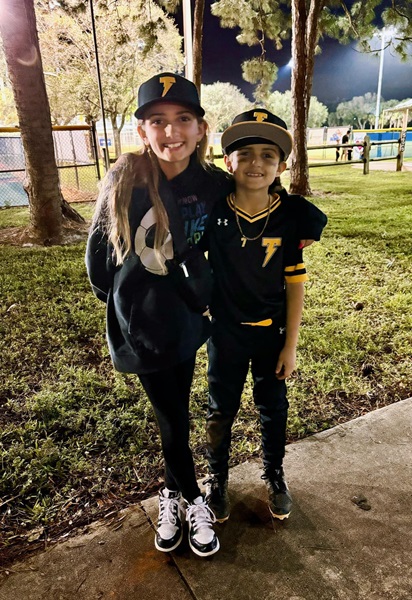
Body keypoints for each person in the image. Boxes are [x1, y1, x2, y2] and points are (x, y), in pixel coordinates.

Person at [85, 72, 233, 558]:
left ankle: (170, 493)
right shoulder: (125, 178)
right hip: (142, 326)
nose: (172, 133)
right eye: (158, 122)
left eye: (183, 120)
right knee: (171, 416)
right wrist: (131, 304)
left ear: (201, 127)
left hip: (188, 322)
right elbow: (98, 262)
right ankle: (193, 499)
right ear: (143, 131)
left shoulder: (214, 186)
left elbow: (230, 240)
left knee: (177, 409)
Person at [200, 110, 327, 522]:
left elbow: (295, 282)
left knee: (274, 406)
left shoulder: (291, 215)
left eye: (268, 155)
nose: (257, 164)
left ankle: (274, 473)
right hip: (225, 333)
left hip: (272, 333)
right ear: (228, 162)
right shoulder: (213, 213)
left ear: (282, 165)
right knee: (221, 408)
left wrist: (290, 345)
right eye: (246, 153)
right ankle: (216, 478)